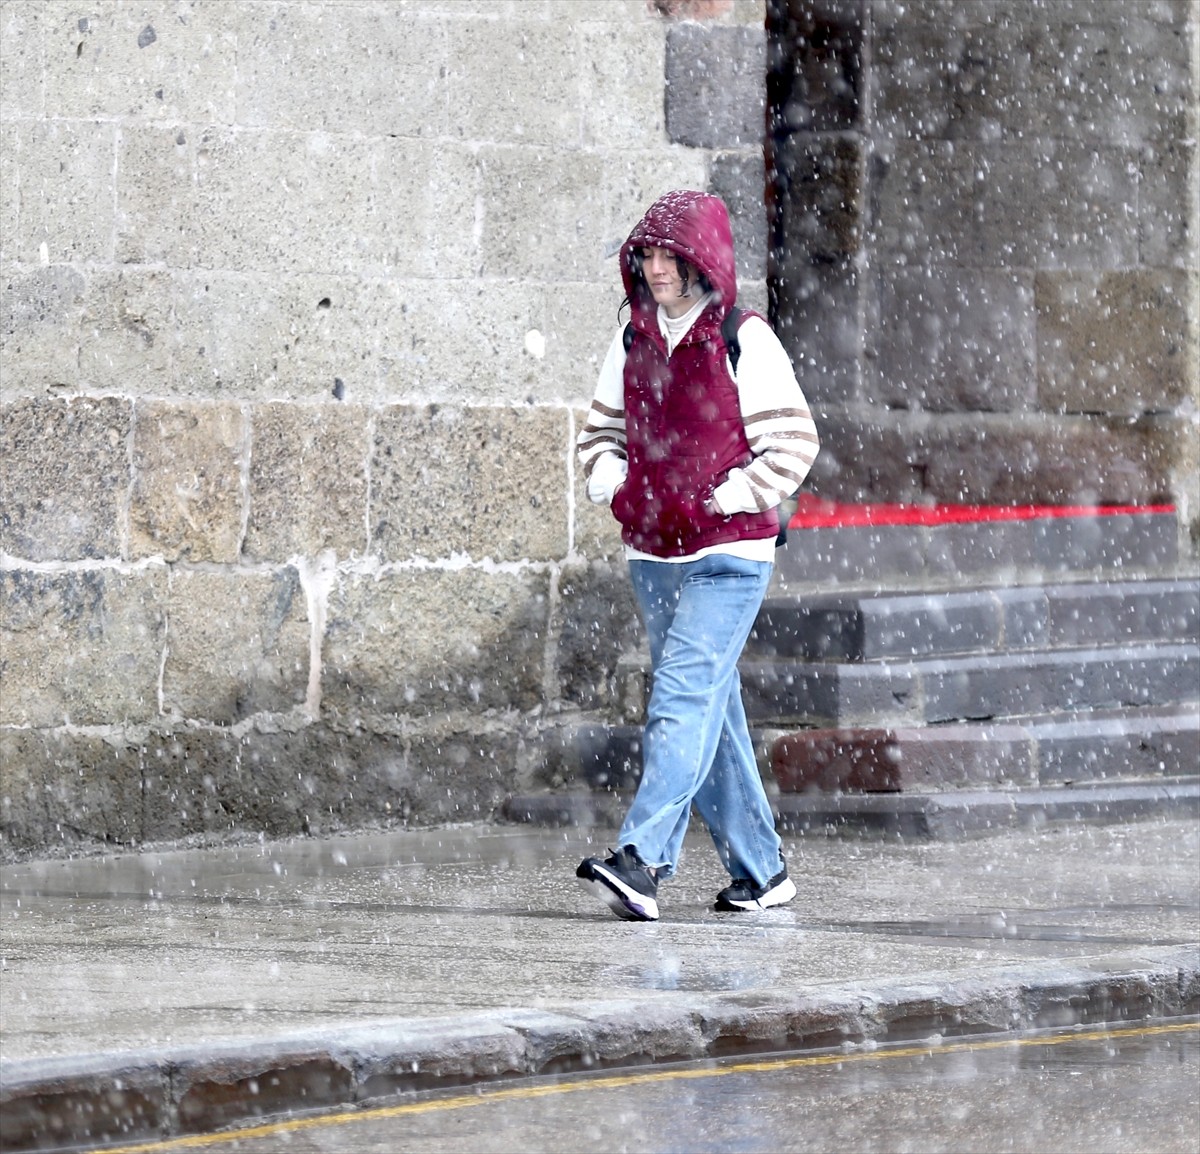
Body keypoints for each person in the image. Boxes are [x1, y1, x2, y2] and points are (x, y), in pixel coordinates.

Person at [574, 189, 820, 922]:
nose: (655, 268)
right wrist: (619, 487)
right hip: (652, 555)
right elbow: (598, 439)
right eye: (645, 254)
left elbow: (796, 442)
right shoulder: (629, 342)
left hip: (730, 557)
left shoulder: (746, 338)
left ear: (699, 260)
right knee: (711, 710)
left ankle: (643, 862)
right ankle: (763, 873)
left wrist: (726, 499)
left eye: (669, 255)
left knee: (682, 697)